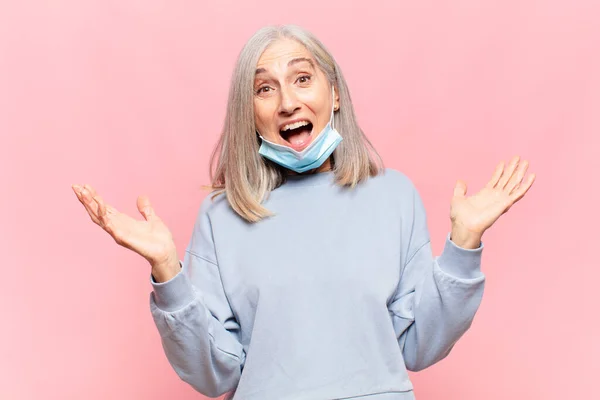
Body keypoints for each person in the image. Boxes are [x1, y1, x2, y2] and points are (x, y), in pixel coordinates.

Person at [72, 25, 535, 400]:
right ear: (249, 113)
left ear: (334, 94)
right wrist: (168, 273)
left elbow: (419, 345)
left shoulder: (394, 195)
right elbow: (215, 375)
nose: (288, 101)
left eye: (302, 78)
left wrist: (463, 246)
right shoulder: (221, 215)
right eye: (264, 88)